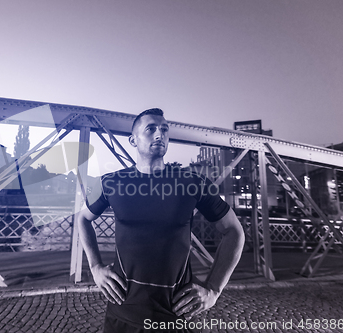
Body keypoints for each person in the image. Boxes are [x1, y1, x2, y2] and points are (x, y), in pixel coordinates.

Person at [77, 108, 245, 332]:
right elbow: (83, 219)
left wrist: (213, 288)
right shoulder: (110, 183)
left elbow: (234, 231)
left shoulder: (192, 182)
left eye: (164, 130)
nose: (160, 134)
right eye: (151, 129)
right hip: (122, 312)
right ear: (133, 140)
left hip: (175, 314)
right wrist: (96, 267)